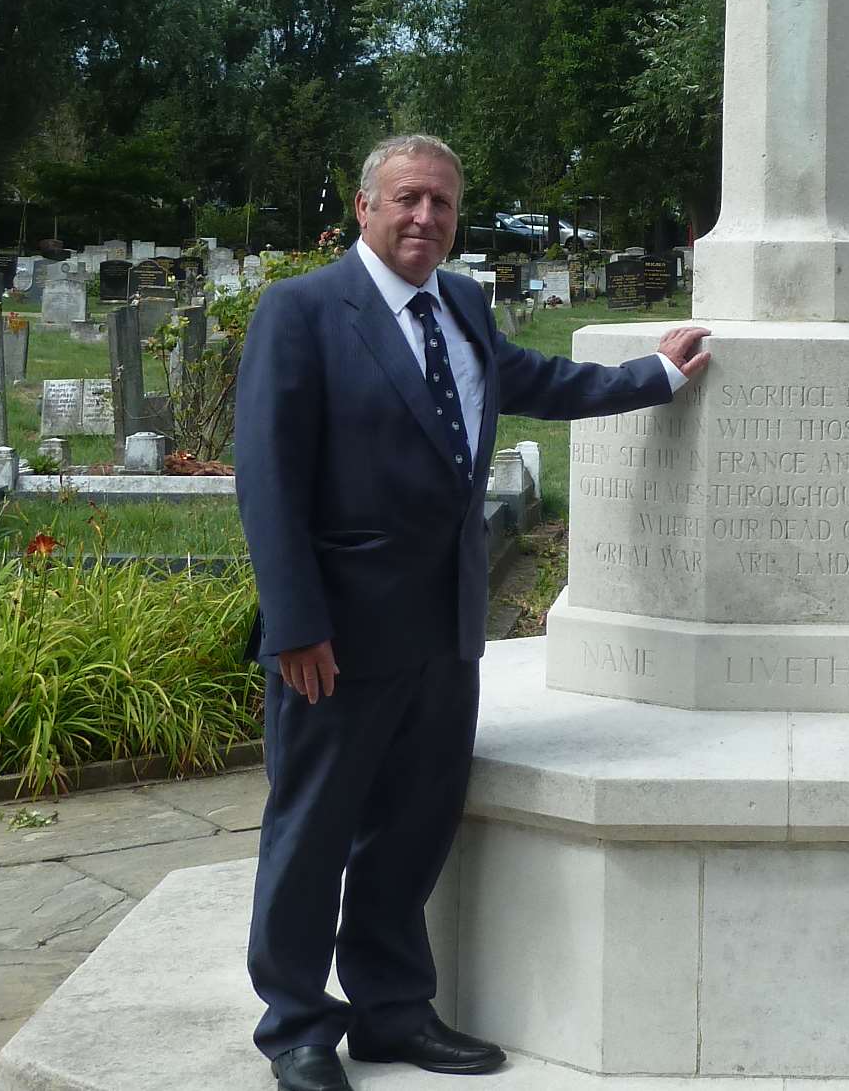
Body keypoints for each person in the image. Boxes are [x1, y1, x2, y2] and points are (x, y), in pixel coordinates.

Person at [235, 134, 711, 1091]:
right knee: (312, 833)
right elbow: (267, 473)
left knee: (412, 829)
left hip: (448, 629)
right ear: (365, 206)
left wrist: (650, 377)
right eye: (408, 199)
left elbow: (530, 380)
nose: (425, 219)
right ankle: (295, 1025)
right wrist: (294, 621)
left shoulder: (460, 302)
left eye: (443, 204)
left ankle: (392, 1011)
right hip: (337, 636)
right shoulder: (303, 311)